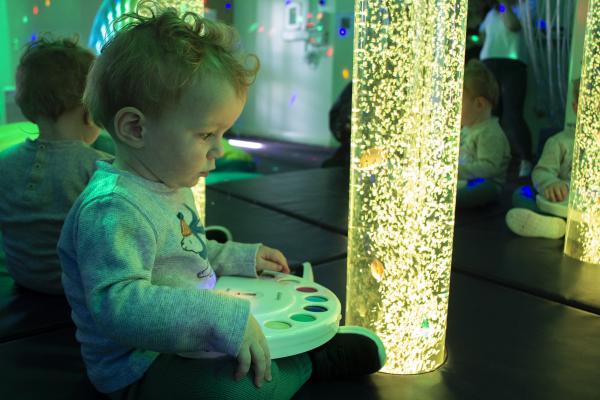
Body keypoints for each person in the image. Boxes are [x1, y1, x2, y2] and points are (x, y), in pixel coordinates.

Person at [57, 3, 386, 399]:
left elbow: (186, 251)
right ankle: (310, 362)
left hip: (194, 336)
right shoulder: (112, 209)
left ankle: (286, 352)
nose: (219, 149)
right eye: (206, 135)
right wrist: (217, 317)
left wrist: (240, 258)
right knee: (231, 393)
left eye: (223, 134)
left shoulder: (169, 181)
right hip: (142, 366)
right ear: (135, 128)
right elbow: (119, 307)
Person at [0, 36, 110, 294]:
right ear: (90, 111)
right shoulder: (100, 169)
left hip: (24, 281)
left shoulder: (4, 163)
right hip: (77, 290)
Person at [505, 79, 580, 239]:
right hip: (560, 204)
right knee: (522, 193)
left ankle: (561, 228)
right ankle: (553, 225)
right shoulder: (560, 142)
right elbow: (541, 172)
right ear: (577, 108)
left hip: (589, 209)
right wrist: (551, 183)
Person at [479, 0, 534, 177]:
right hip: (489, 64)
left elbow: (512, 25)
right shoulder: (492, 13)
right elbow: (482, 35)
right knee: (491, 115)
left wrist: (503, 4)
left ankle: (526, 159)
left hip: (512, 64)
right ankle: (490, 161)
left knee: (512, 114)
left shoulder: (525, 7)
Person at [456, 60, 511, 208]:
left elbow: (489, 168)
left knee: (479, 188)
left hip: (486, 183)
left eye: (458, 103)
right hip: (465, 178)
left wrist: (457, 171)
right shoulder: (468, 128)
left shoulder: (490, 132)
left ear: (479, 104)